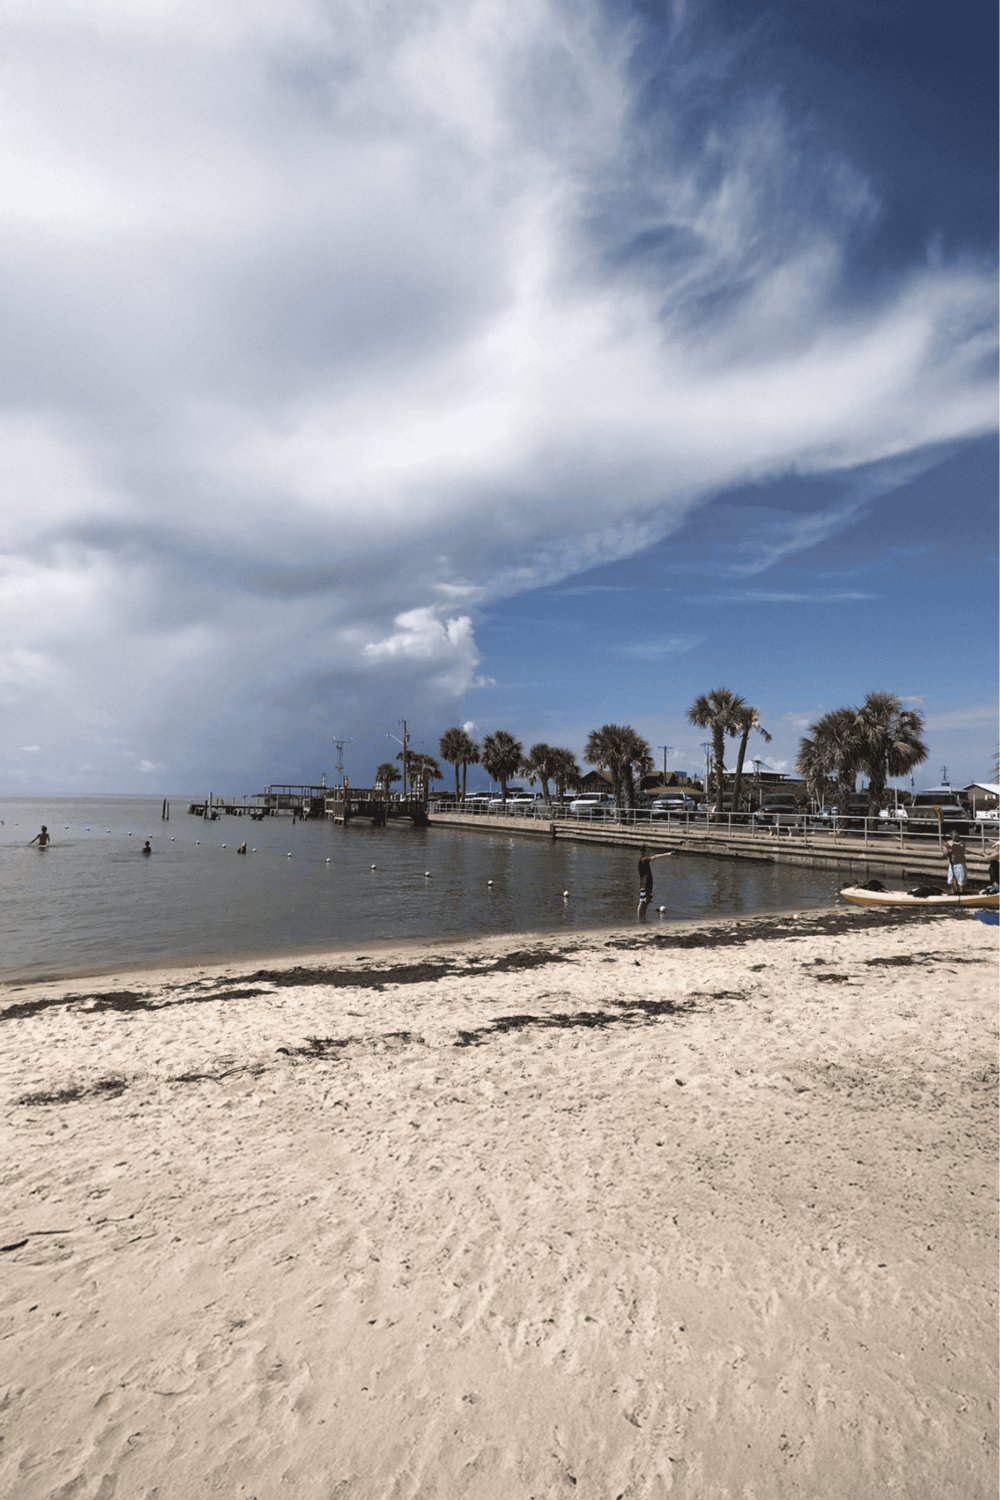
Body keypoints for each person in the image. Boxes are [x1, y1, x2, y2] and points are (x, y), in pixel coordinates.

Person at [637, 844, 675, 920]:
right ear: (643, 852)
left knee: (647, 901)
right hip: (644, 884)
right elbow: (654, 857)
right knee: (642, 901)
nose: (649, 852)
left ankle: (643, 917)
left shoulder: (645, 859)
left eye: (649, 850)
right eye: (648, 850)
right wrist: (666, 854)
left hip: (648, 883)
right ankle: (639, 919)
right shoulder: (643, 859)